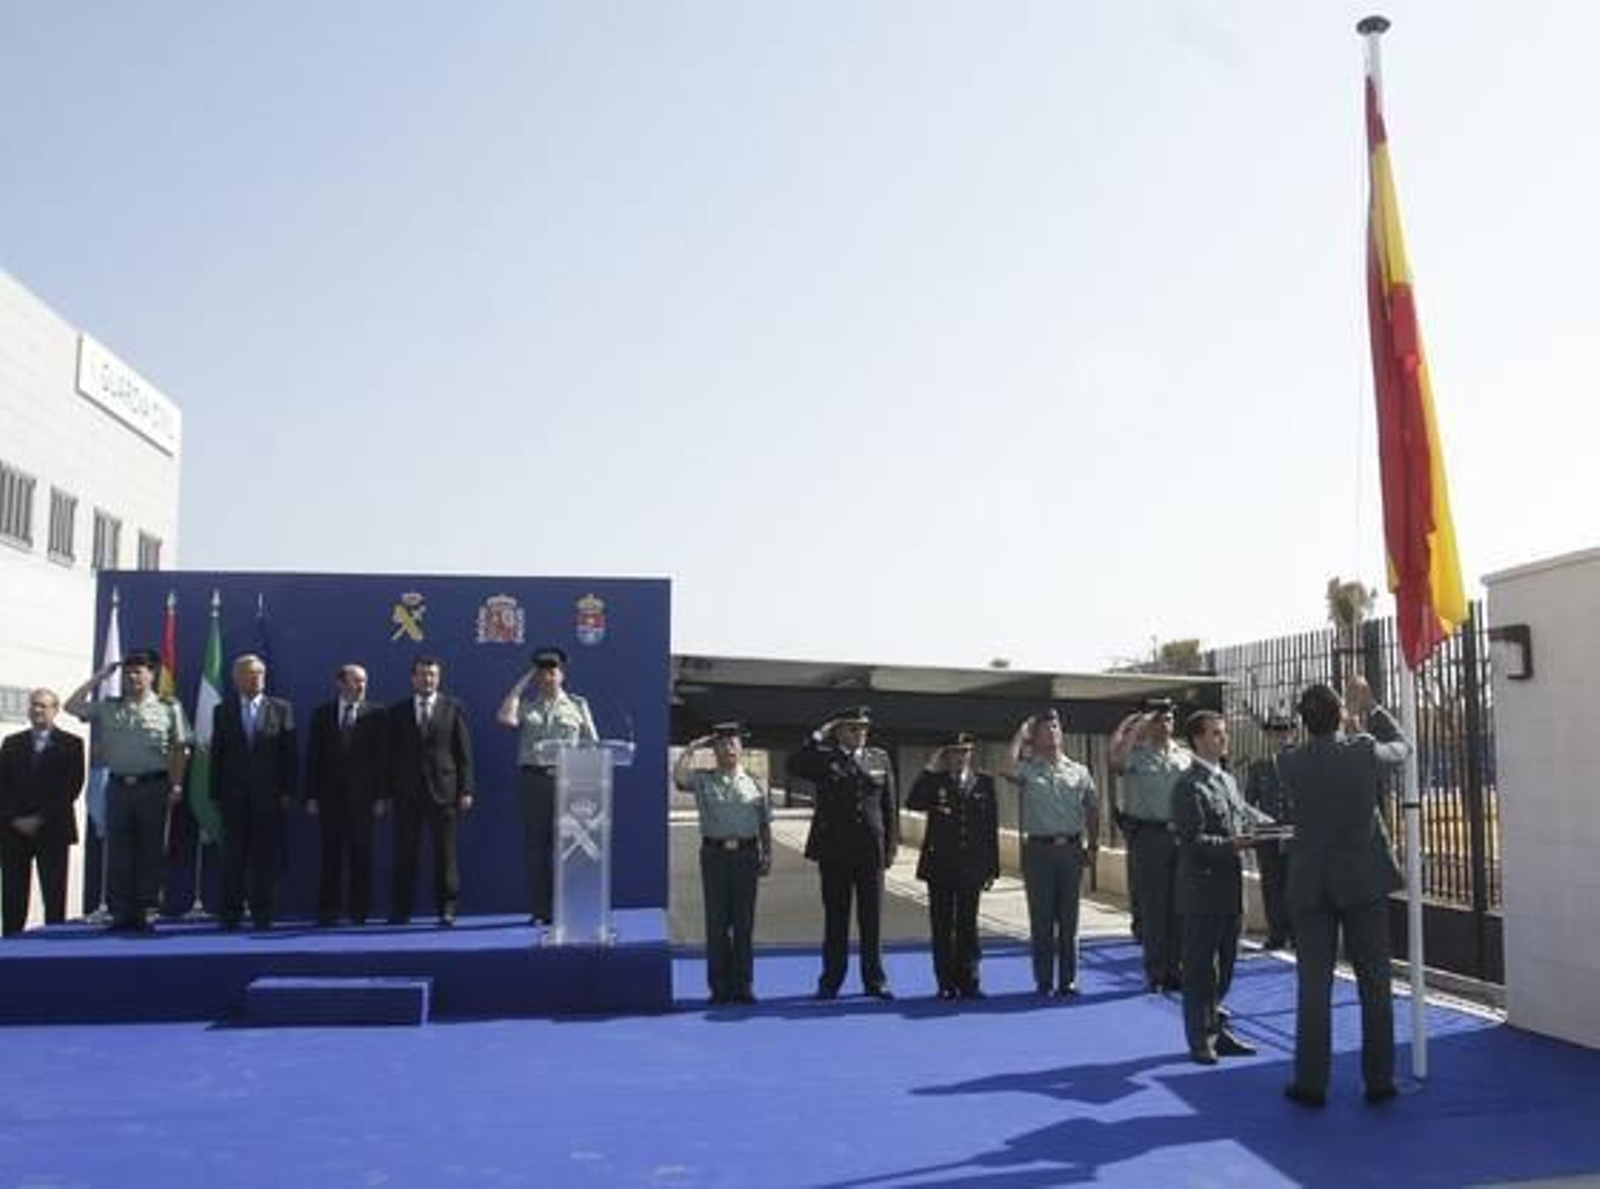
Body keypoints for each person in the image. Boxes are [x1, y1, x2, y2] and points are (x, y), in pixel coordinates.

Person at [1276, 676, 1411, 1108]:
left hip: (1312, 884)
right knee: (1375, 984)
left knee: (1313, 988)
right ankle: (1379, 1079)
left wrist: (1341, 719)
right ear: (1340, 715)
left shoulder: (1289, 762)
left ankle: (1311, 1082)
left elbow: (1306, 754)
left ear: (1303, 721)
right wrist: (1370, 708)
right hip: (1363, 881)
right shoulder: (1362, 750)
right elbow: (1402, 746)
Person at [64, 649, 190, 933]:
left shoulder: (169, 707)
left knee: (150, 850)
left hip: (154, 786)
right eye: (128, 672)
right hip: (119, 786)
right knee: (119, 851)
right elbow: (71, 707)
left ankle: (147, 909)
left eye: (139, 671)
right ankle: (120, 911)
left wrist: (178, 784)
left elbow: (181, 748)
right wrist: (100, 676)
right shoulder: (109, 706)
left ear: (152, 674)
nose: (132, 677)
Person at [1171, 709, 1272, 1065]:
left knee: (1227, 965)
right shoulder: (1188, 786)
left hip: (1230, 888)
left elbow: (1244, 812)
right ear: (1198, 739)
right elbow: (1193, 841)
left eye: (1223, 732)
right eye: (1216, 733)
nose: (1223, 738)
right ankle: (1200, 1038)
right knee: (1201, 968)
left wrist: (1274, 827)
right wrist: (1233, 845)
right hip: (1202, 891)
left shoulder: (1225, 780)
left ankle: (1217, 1026)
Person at [786, 706, 899, 1000]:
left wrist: (890, 849)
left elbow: (889, 806)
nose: (860, 733)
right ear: (839, 731)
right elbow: (794, 763)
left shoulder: (879, 758)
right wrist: (818, 735)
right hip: (835, 851)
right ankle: (831, 981)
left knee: (871, 920)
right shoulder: (824, 758)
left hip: (870, 852)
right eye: (852, 728)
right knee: (836, 919)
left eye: (863, 728)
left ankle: (875, 980)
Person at [497, 646, 597, 926]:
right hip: (534, 781)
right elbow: (505, 718)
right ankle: (540, 911)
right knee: (536, 848)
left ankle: (565, 909)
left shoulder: (578, 705)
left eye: (552, 672)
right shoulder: (528, 704)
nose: (547, 677)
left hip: (567, 781)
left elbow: (592, 745)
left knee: (567, 849)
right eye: (541, 672)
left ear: (562, 675)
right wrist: (523, 682)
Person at [673, 722, 772, 1005]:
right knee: (716, 923)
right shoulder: (703, 779)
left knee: (743, 924)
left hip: (746, 856)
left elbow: (764, 823)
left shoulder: (754, 782)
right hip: (715, 856)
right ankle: (718, 986)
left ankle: (743, 985)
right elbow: (679, 778)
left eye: (733, 743)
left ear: (741, 749)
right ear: (714, 750)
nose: (728, 748)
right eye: (721, 744)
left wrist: (768, 855)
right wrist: (691, 749)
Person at [1000, 710, 1098, 998]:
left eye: (1055, 727)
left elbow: (1093, 808)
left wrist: (1092, 847)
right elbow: (1006, 768)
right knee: (1041, 920)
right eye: (1045, 729)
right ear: (1035, 737)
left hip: (1070, 849)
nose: (1052, 732)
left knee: (1069, 921)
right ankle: (1043, 980)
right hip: (1039, 851)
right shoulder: (1029, 769)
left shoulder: (1079, 771)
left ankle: (1068, 980)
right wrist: (1021, 732)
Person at [907, 732, 999, 1000]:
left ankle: (969, 978)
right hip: (941, 864)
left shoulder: (984, 782)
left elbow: (989, 827)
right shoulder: (935, 782)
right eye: (954, 753)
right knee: (942, 924)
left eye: (965, 752)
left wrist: (991, 867)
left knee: (968, 925)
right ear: (946, 756)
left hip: (971, 864)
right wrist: (928, 768)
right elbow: (913, 802)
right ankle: (945, 981)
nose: (960, 758)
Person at [1110, 697, 1192, 992]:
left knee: (1180, 906)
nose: (1165, 724)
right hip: (1149, 836)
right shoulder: (1136, 754)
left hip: (1180, 836)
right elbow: (1116, 760)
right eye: (1158, 719)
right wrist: (1136, 726)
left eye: (1169, 718)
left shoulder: (1184, 755)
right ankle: (1156, 970)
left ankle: (1176, 968)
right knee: (1155, 906)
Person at [211, 654, 297, 930]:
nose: (256, 677)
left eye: (260, 673)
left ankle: (263, 914)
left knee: (265, 859)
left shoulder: (281, 708)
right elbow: (217, 756)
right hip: (233, 797)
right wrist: (216, 792)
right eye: (249, 673)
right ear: (236, 678)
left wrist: (287, 790)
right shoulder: (222, 710)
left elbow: (290, 755)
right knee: (233, 858)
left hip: (269, 797)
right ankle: (231, 914)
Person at [387, 654, 475, 927]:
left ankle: (447, 909)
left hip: (444, 792)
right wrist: (388, 791)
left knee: (444, 854)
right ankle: (401, 910)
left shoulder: (452, 708)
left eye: (432, 675)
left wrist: (466, 789)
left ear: (438, 678)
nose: (427, 679)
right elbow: (390, 756)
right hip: (407, 793)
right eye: (423, 674)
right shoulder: (398, 711)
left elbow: (464, 753)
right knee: (405, 853)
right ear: (413, 678)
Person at [303, 663, 387, 925]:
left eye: (364, 681)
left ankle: (359, 911)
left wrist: (382, 796)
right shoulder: (322, 714)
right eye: (355, 681)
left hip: (364, 798)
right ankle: (328, 911)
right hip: (330, 798)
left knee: (361, 854)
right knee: (331, 854)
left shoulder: (378, 714)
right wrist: (312, 796)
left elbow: (384, 760)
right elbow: (313, 757)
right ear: (340, 683)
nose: (361, 686)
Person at [0, 689, 86, 936]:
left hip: (52, 829)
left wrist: (39, 818)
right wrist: (15, 818)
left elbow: (71, 787)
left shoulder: (71, 744)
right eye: (34, 705)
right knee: (13, 892)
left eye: (43, 706)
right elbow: (2, 785)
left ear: (55, 710)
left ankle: (53, 940)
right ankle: (11, 941)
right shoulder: (11, 743)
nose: (37, 710)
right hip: (14, 830)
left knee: (54, 892)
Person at [1244, 713, 1298, 950]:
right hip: (1269, 835)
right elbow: (1247, 802)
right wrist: (1257, 825)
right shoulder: (1259, 767)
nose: (1280, 737)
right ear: (1268, 736)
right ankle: (1277, 933)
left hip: (1296, 835)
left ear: (1292, 733)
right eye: (1276, 733)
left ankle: (1297, 934)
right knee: (1272, 886)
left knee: (1295, 885)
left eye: (1285, 732)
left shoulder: (1301, 762)